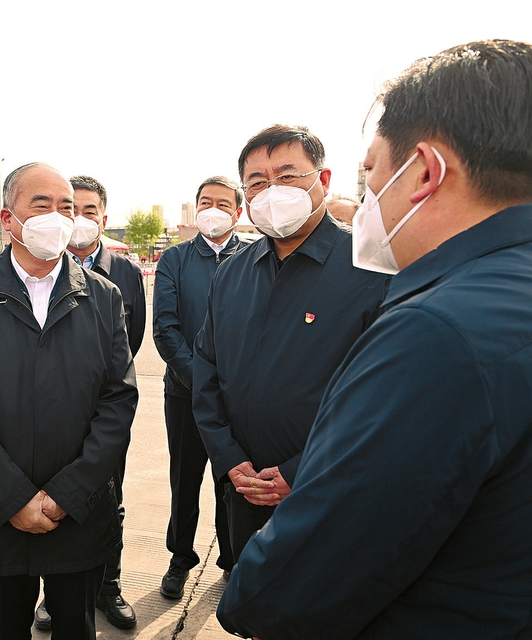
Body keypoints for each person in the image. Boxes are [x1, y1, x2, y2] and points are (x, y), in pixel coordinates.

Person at [218, 39, 532, 639]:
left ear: (426, 172)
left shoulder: (434, 331)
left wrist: (245, 597)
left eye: (372, 172)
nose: (367, 196)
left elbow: (303, 580)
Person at [0, 162, 138, 639]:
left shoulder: (103, 296)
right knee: (5, 626)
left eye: (66, 207)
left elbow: (118, 401)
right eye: (41, 205)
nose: (57, 217)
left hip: (79, 512)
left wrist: (68, 494)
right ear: (9, 219)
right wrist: (12, 498)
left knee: (76, 626)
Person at [192, 125, 388, 572]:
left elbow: (382, 395)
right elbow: (207, 371)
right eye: (257, 182)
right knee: (251, 595)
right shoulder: (232, 273)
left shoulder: (372, 265)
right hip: (244, 489)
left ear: (323, 179)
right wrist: (229, 459)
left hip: (331, 492)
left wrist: (300, 471)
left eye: (287, 176)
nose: (272, 192)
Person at [33, 174, 145, 631]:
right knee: (49, 498)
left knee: (107, 499)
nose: (77, 219)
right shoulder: (41, 268)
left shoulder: (125, 274)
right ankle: (53, 594)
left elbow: (131, 344)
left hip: (104, 420)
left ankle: (108, 584)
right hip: (53, 417)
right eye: (70, 209)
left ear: (103, 217)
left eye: (88, 211)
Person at [152, 175, 250, 598]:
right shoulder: (174, 259)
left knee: (233, 482)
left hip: (239, 399)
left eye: (223, 203)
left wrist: (232, 387)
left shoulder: (255, 257)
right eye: (205, 202)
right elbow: (166, 328)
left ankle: (233, 560)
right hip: (185, 394)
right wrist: (202, 383)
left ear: (238, 212)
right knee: (185, 479)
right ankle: (180, 558)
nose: (213, 210)